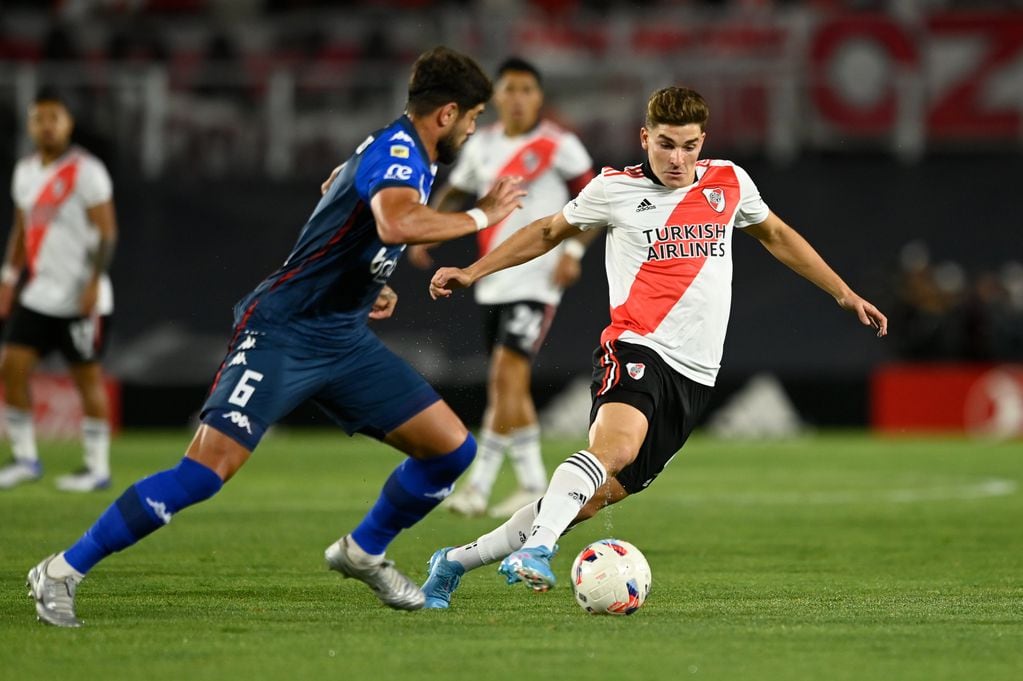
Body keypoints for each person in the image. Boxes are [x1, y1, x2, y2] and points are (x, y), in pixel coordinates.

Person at [26, 46, 526, 628]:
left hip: (341, 335)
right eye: (473, 115)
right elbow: (394, 221)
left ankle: (363, 551)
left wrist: (368, 278)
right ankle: (61, 570)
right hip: (283, 332)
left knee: (450, 450)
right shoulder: (399, 151)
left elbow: (334, 195)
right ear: (447, 114)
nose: (473, 126)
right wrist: (481, 217)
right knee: (203, 473)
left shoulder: (398, 150)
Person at [420, 86, 888, 608]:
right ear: (645, 138)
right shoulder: (612, 190)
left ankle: (453, 562)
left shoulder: (728, 182)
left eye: (688, 146)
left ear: (702, 141)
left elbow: (777, 235)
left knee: (589, 500)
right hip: (636, 346)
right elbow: (549, 230)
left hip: (696, 377)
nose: (677, 158)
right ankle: (538, 551)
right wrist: (472, 270)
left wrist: (843, 294)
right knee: (614, 449)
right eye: (665, 144)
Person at [408, 57, 596, 519]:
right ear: (497, 98)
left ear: (539, 96)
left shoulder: (559, 145)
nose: (517, 98)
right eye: (509, 89)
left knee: (504, 377)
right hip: (492, 280)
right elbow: (455, 192)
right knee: (510, 386)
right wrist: (425, 225)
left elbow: (592, 202)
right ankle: (532, 484)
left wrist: (572, 254)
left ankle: (480, 485)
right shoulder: (483, 146)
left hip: (538, 277)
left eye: (526, 90)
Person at [0, 90, 118, 493]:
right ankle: (25, 458)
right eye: (39, 119)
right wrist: (8, 277)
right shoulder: (24, 172)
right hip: (39, 294)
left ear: (68, 124)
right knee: (11, 368)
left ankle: (97, 467)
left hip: (81, 297)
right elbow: (21, 229)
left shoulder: (86, 170)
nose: (47, 125)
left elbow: (107, 232)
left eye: (55, 118)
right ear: (31, 126)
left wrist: (92, 281)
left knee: (86, 379)